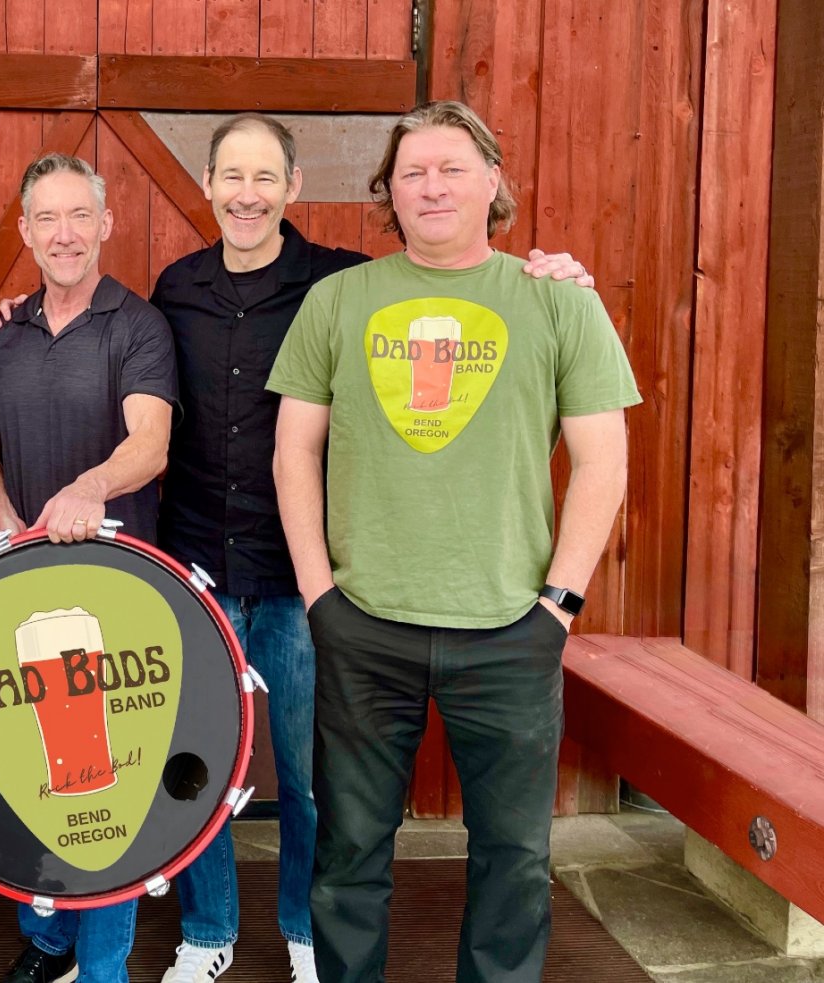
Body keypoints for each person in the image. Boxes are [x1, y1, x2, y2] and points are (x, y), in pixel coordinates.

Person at [147, 113, 595, 983]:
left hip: (329, 588)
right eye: (231, 175)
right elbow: (157, 377)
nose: (247, 194)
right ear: (206, 184)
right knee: (204, 770)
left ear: (293, 187)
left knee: (336, 796)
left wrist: (557, 604)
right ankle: (209, 932)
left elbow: (598, 454)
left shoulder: (341, 281)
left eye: (265, 176)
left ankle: (303, 935)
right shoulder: (180, 288)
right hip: (216, 566)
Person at [267, 101, 640, 983]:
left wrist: (558, 606)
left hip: (511, 628)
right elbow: (294, 451)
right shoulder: (338, 300)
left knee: (513, 860)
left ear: (492, 181)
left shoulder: (558, 300)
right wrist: (320, 596)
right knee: (348, 853)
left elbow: (603, 462)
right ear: (389, 193)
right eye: (412, 172)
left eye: (451, 168)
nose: (431, 186)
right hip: (364, 623)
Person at [0, 152, 178, 983]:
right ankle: (48, 939)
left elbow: (150, 442)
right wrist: (4, 515)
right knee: (32, 764)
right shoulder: (3, 334)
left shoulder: (137, 325)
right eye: (47, 218)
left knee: (105, 783)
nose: (64, 233)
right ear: (25, 231)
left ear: (105, 224)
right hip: (23, 587)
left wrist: (89, 486)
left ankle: (104, 962)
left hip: (118, 589)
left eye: (79, 215)